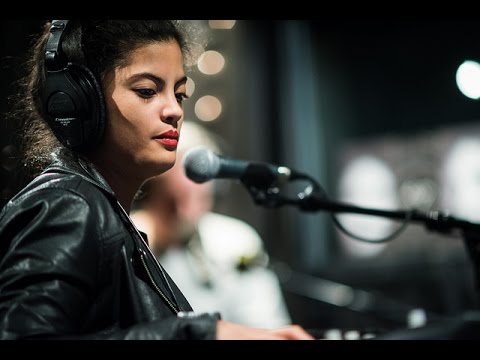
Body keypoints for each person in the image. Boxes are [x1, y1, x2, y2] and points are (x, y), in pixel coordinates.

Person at [0, 20, 314, 340]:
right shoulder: (66, 207)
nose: (174, 110)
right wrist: (203, 334)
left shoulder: (101, 211)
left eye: (179, 94)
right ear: (79, 102)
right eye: (147, 91)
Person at [130, 120, 292, 329]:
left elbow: (268, 326)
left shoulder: (237, 240)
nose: (198, 187)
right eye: (186, 171)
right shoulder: (124, 238)